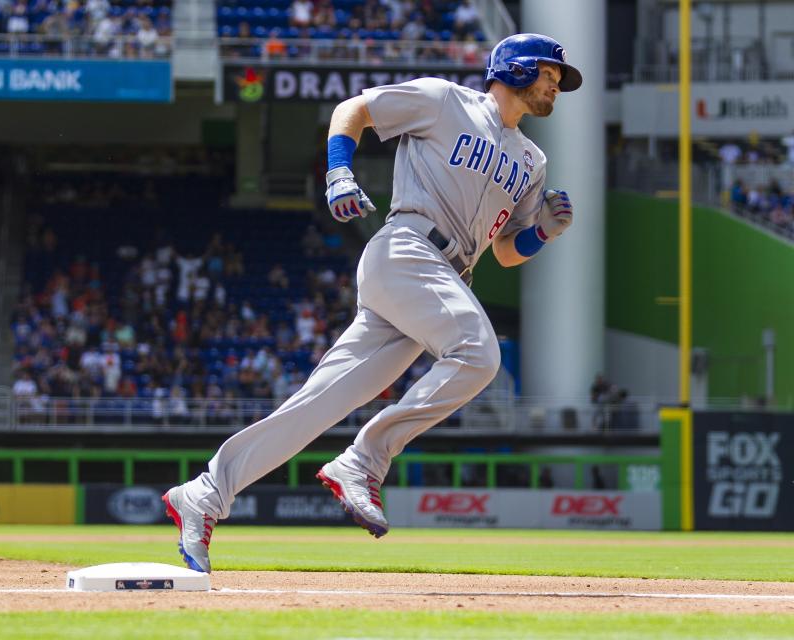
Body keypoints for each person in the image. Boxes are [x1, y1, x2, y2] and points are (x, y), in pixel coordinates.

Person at [162, 33, 581, 573]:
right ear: (517, 68)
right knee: (479, 355)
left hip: (444, 280)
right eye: (550, 72)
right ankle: (363, 461)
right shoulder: (443, 99)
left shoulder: (532, 160)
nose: (556, 84)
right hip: (407, 250)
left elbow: (504, 252)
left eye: (558, 79)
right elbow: (353, 108)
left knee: (318, 404)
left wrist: (542, 234)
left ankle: (205, 493)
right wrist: (339, 170)